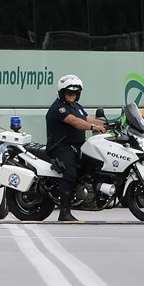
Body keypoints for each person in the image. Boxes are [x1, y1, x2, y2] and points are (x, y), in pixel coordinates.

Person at [45, 74, 106, 222]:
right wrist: (93, 127)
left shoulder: (76, 107)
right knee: (71, 172)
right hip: (62, 147)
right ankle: (64, 212)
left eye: (74, 93)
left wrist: (106, 124)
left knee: (96, 164)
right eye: (69, 92)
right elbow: (75, 122)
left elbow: (86, 118)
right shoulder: (58, 108)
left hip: (78, 146)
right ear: (62, 93)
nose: (72, 95)